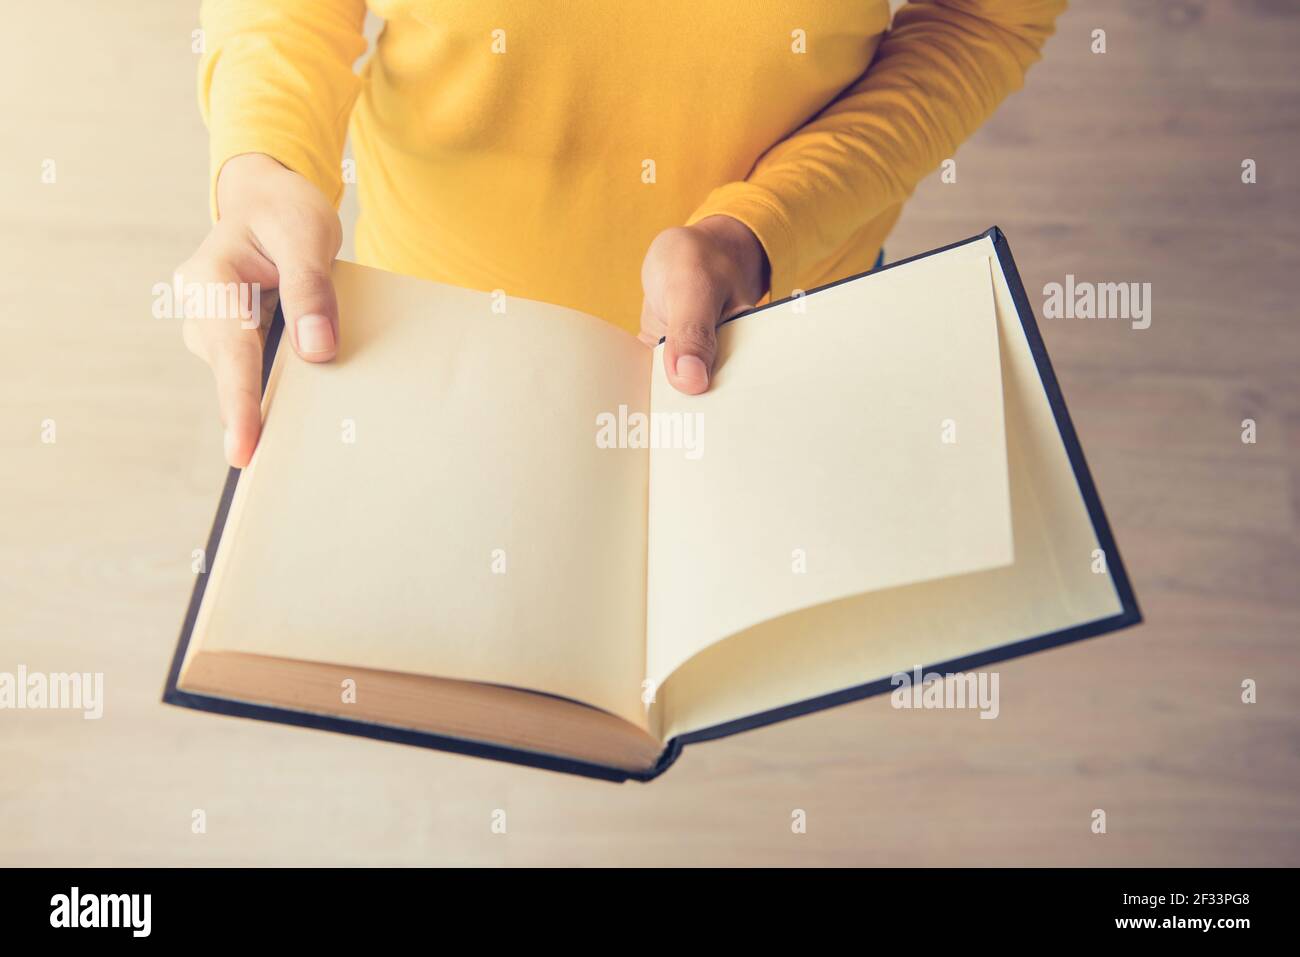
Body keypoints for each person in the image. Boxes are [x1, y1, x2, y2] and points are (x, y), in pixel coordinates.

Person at [179, 0, 1064, 467]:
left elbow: (983, 17)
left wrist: (758, 227)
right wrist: (264, 162)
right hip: (429, 320)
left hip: (772, 312)